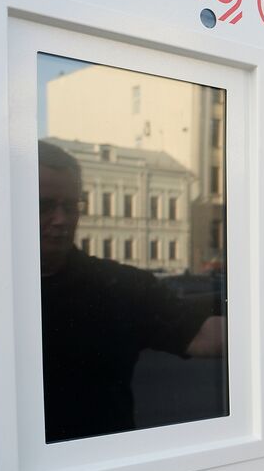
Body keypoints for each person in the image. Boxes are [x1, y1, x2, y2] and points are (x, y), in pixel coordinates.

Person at [37, 140, 225, 443]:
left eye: (70, 206)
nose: (61, 219)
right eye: (45, 206)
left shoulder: (119, 287)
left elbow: (204, 335)